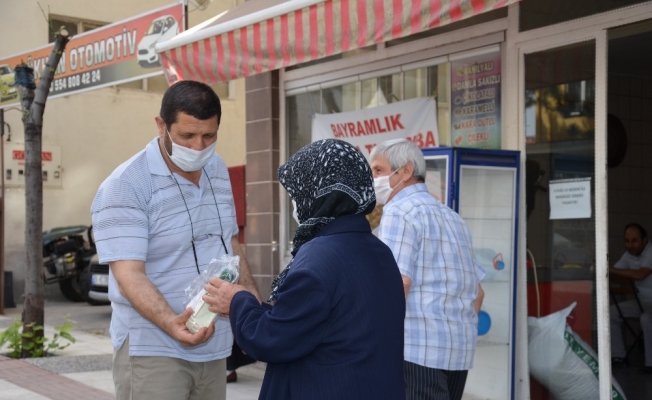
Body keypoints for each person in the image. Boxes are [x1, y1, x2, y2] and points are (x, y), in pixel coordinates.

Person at [90, 80, 260, 400]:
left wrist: (252, 305)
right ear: (161, 125)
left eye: (208, 136)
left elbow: (231, 243)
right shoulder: (126, 184)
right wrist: (172, 323)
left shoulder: (217, 168)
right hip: (153, 350)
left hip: (215, 345)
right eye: (187, 136)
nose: (198, 148)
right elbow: (129, 274)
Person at [202, 139, 406, 400]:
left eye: (297, 194)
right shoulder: (377, 250)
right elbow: (310, 321)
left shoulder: (318, 259)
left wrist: (237, 301)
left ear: (317, 193)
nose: (296, 204)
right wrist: (255, 310)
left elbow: (273, 340)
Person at [370, 138, 485, 400]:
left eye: (378, 170)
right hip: (458, 351)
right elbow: (478, 293)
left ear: (406, 171)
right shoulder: (453, 217)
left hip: (415, 351)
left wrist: (376, 339)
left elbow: (398, 283)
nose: (373, 178)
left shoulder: (398, 211)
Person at [609, 223, 652, 372]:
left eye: (634, 240)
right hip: (642, 302)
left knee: (646, 318)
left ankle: (650, 363)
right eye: (627, 241)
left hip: (649, 305)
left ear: (645, 240)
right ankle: (618, 357)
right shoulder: (629, 255)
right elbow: (614, 272)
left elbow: (641, 274)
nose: (630, 245)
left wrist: (611, 270)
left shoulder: (650, 252)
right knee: (610, 313)